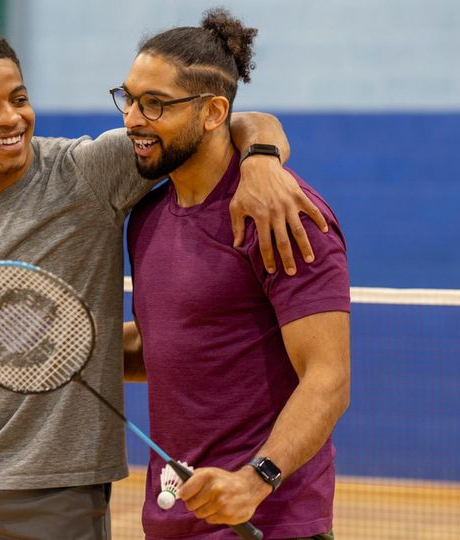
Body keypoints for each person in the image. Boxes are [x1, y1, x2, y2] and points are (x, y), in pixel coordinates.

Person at [0, 27, 329, 539]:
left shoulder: (88, 172)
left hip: (62, 486)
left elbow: (215, 122)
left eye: (19, 98)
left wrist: (262, 156)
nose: (9, 118)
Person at [121, 8, 351, 540]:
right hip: (173, 519)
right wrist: (62, 351)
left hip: (269, 521)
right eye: (129, 97)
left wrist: (256, 479)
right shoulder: (147, 218)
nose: (133, 118)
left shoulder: (283, 216)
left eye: (154, 104)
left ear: (212, 112)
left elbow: (329, 378)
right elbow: (178, 347)